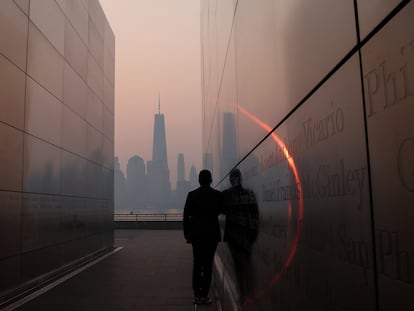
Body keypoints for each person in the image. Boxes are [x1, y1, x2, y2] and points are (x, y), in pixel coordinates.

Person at [183, 169, 223, 305]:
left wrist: (187, 234)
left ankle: (197, 294)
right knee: (208, 265)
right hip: (211, 236)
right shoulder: (217, 195)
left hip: (197, 237)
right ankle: (204, 295)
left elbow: (186, 216)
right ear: (211, 180)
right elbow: (222, 211)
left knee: (197, 264)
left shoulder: (192, 195)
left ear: (199, 180)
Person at [223, 168, 259, 302]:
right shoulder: (250, 194)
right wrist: (254, 233)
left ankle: (242, 294)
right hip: (247, 236)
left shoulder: (227, 195)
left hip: (233, 236)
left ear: (231, 180)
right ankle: (250, 292)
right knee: (247, 263)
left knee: (238, 265)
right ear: (240, 178)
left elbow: (222, 210)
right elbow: (255, 215)